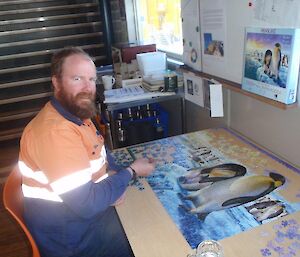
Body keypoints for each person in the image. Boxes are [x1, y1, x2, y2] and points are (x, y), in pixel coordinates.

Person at [18, 47, 155, 257]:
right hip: (73, 238)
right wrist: (131, 172)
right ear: (56, 82)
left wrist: (116, 174)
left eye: (91, 79)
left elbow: (99, 151)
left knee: (147, 215)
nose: (87, 87)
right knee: (148, 239)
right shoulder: (54, 132)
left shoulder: (76, 112)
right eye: (77, 78)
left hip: (83, 216)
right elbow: (87, 204)